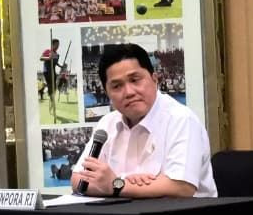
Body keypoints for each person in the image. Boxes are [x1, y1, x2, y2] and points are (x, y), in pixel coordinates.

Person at [71, 44, 216, 198]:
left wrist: (116, 185)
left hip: (182, 213)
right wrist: (125, 182)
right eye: (117, 86)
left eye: (135, 80)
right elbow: (78, 180)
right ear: (107, 93)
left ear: (155, 79)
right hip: (124, 212)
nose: (129, 92)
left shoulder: (181, 119)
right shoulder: (107, 123)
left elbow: (181, 187)